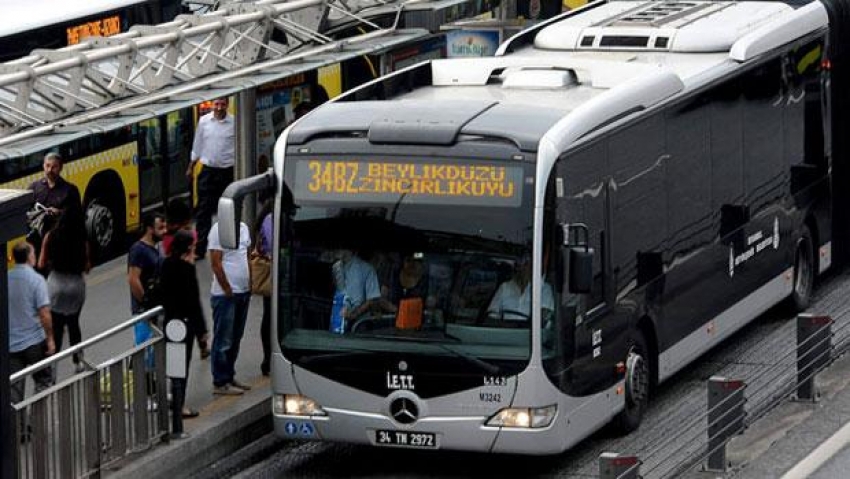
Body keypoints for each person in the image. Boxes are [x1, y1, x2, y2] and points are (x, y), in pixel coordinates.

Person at [160, 230, 207, 438]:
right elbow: (194, 302)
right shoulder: (187, 270)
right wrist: (202, 332)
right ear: (188, 247)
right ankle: (179, 407)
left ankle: (173, 401)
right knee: (182, 366)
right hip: (185, 326)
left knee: (172, 364)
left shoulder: (166, 265)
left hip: (169, 322)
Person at [38, 207, 90, 372]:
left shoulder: (51, 236)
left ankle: (52, 366)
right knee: (74, 323)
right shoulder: (82, 239)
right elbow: (87, 266)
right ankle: (78, 360)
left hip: (56, 285)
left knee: (57, 327)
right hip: (76, 286)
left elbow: (41, 263)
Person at [186, 97, 235, 260]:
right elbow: (197, 145)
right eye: (216, 104)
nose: (219, 107)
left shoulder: (234, 123)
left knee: (227, 210)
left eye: (222, 104)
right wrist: (191, 166)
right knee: (203, 211)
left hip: (227, 172)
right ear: (212, 105)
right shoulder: (204, 122)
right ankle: (200, 248)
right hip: (208, 172)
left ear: (227, 105)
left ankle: (228, 246)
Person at [208, 219, 252, 395]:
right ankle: (220, 380)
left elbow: (247, 256)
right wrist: (227, 288)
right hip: (225, 295)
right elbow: (215, 262)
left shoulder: (243, 228)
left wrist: (251, 282)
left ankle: (229, 374)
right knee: (223, 339)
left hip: (243, 291)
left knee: (235, 337)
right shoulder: (218, 230)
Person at [8, 241, 55, 405]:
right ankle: (38, 419)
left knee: (14, 391)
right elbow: (44, 314)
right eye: (33, 254)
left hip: (12, 346)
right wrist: (50, 339)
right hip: (35, 343)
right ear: (29, 257)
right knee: (43, 382)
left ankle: (20, 427)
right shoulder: (36, 279)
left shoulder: (6, 278)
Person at [162, 198, 209, 358]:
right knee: (193, 304)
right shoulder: (190, 235)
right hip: (185, 279)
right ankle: (202, 342)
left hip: (172, 290)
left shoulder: (166, 239)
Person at [27, 152, 82, 259]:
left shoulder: (70, 190)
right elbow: (26, 211)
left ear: (60, 168)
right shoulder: (34, 188)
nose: (50, 170)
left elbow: (77, 218)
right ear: (43, 166)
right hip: (37, 242)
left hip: (59, 244)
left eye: (54, 167)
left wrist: (59, 213)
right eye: (47, 166)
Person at [127, 211, 166, 344]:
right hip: (144, 312)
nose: (164, 231)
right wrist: (145, 303)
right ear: (150, 229)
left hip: (155, 309)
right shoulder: (138, 250)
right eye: (160, 228)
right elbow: (133, 279)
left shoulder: (157, 248)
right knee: (145, 351)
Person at [487, 254, 555, 321]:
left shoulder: (544, 289)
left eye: (526, 264)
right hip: (505, 330)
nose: (521, 268)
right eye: (519, 265)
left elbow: (544, 319)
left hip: (531, 331)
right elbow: (492, 314)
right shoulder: (504, 287)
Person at [332, 248, 381, 323]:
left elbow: (372, 299)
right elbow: (338, 291)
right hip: (338, 319)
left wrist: (354, 315)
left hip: (359, 323)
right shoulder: (336, 268)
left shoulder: (367, 269)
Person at [254, 200, 273, 376]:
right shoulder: (270, 219)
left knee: (269, 315)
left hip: (274, 272)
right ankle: (268, 358)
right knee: (270, 316)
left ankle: (269, 358)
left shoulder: (266, 217)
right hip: (273, 273)